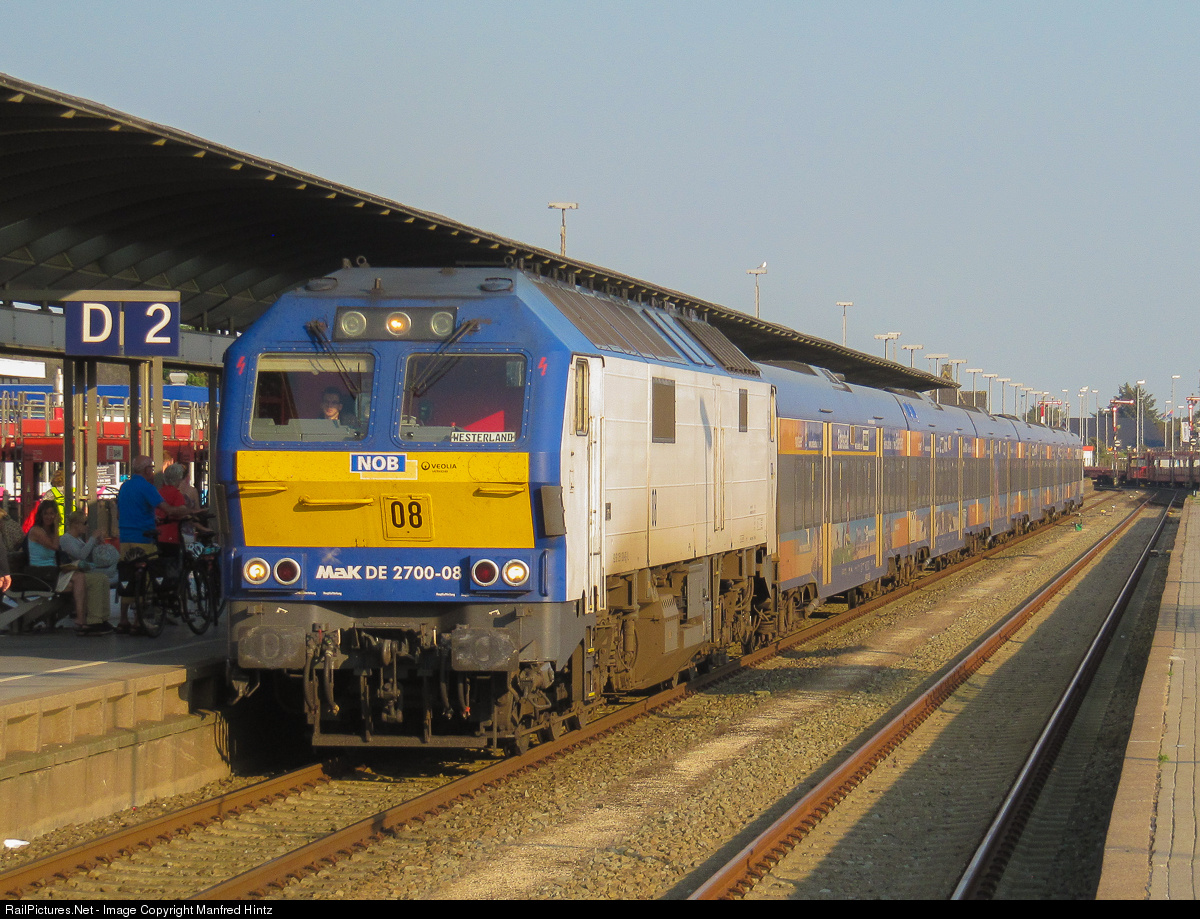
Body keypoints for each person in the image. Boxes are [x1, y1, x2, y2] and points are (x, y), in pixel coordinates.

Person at [116, 456, 191, 634]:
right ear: (146, 470)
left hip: (125, 538)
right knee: (146, 578)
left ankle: (123, 619)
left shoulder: (125, 486)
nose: (152, 471)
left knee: (127, 577)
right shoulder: (147, 487)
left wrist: (150, 517)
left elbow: (121, 513)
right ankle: (138, 621)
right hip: (143, 539)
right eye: (151, 467)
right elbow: (168, 509)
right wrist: (184, 510)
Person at [26, 501, 112, 634]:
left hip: (53, 571)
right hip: (41, 573)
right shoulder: (37, 531)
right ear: (40, 515)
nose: (49, 517)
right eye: (46, 514)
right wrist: (57, 526)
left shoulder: (55, 533)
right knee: (81, 579)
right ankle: (84, 620)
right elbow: (55, 546)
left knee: (98, 578)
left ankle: (99, 619)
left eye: (52, 514)